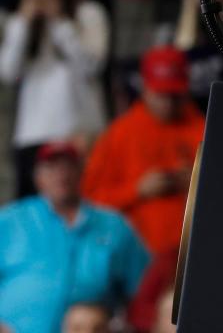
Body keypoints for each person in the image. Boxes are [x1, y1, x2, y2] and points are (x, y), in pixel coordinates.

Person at [0, 0, 109, 197]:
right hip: (33, 133)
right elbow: (8, 71)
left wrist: (60, 21)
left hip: (80, 130)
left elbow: (92, 66)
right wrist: (23, 23)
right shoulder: (24, 21)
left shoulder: (89, 13)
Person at [0, 142, 149, 333]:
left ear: (82, 171)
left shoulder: (114, 226)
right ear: (37, 177)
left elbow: (143, 292)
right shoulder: (11, 220)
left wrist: (120, 326)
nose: (61, 174)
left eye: (68, 166)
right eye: (51, 167)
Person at [81, 45, 204, 257]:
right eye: (161, 94)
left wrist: (197, 184)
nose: (167, 103)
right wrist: (137, 190)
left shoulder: (204, 128)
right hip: (139, 261)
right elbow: (88, 202)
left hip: (197, 255)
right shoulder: (120, 133)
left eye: (174, 95)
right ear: (145, 88)